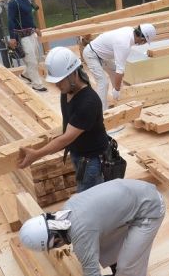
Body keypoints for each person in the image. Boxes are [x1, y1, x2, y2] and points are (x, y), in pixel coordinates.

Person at [18, 179, 166, 276]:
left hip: (150, 209)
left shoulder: (82, 234)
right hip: (135, 197)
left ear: (54, 240)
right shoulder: (65, 211)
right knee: (104, 245)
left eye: (52, 246)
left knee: (128, 262)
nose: (56, 248)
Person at [17, 48, 109, 192]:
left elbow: (66, 138)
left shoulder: (88, 102)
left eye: (60, 81)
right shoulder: (66, 91)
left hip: (91, 160)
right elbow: (69, 125)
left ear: (74, 74)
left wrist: (36, 154)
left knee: (90, 200)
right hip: (79, 154)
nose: (57, 85)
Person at [82, 23, 156, 110]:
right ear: (142, 39)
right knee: (103, 83)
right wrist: (117, 90)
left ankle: (118, 100)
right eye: (145, 42)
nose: (143, 44)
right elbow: (119, 70)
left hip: (102, 55)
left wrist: (117, 88)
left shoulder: (129, 30)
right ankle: (101, 112)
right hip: (91, 55)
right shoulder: (124, 44)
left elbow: (119, 70)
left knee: (117, 73)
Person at [7, 0, 47, 92]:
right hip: (22, 37)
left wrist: (35, 28)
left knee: (37, 58)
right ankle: (37, 84)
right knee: (31, 61)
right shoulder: (13, 2)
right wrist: (12, 38)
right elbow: (11, 20)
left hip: (30, 34)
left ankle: (25, 75)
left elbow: (28, 17)